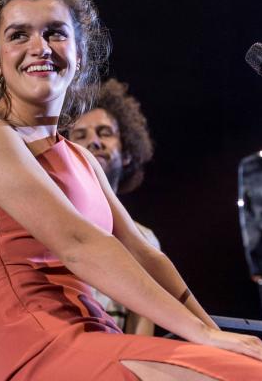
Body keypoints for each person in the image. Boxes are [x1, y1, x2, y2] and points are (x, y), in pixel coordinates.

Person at [0, 0, 262, 380]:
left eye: (55, 33)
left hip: (100, 340)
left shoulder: (80, 160)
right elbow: (77, 243)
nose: (39, 47)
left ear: (80, 55)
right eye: (19, 35)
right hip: (44, 350)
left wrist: (214, 334)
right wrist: (203, 337)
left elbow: (144, 254)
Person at [65, 78, 160, 336]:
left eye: (105, 132)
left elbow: (141, 338)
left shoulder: (145, 240)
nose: (93, 142)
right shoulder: (47, 225)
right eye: (80, 136)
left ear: (126, 152)